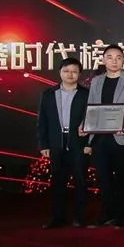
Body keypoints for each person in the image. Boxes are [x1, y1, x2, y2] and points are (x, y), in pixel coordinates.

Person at [84, 44, 124, 228]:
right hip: (99, 137)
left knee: (121, 178)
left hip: (120, 137)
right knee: (103, 178)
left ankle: (120, 215)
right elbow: (91, 107)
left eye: (118, 57)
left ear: (123, 60)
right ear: (103, 60)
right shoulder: (96, 81)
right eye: (110, 57)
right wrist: (86, 128)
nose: (114, 61)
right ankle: (105, 214)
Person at [37, 57, 90, 229]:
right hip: (56, 143)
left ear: (79, 74)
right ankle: (57, 217)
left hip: (79, 143)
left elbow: (93, 120)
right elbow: (42, 121)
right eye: (66, 71)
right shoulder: (48, 94)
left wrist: (89, 144)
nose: (70, 74)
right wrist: (44, 145)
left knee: (80, 181)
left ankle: (79, 218)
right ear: (60, 72)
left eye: (74, 71)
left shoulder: (86, 94)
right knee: (58, 181)